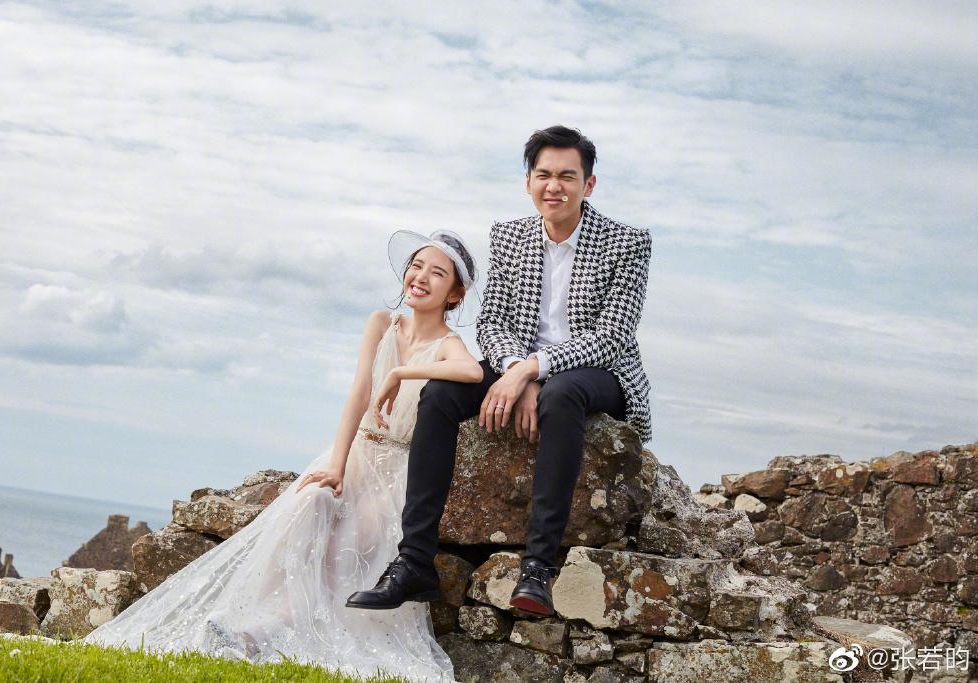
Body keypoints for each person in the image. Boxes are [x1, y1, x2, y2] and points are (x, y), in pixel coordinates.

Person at [82, 230, 483, 682]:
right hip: (354, 453)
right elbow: (358, 394)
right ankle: (252, 619)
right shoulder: (382, 323)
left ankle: (259, 633)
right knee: (308, 504)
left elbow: (471, 370)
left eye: (437, 273)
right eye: (417, 265)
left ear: (454, 294)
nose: (421, 277)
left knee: (342, 555)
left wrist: (403, 372)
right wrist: (336, 464)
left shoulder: (448, 343)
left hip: (395, 469)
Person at [348, 125, 652, 618]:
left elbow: (613, 335)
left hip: (597, 371)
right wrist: (516, 369)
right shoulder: (509, 236)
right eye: (543, 175)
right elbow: (492, 321)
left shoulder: (628, 243)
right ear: (528, 181)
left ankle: (538, 568)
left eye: (567, 176)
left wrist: (533, 370)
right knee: (440, 393)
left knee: (561, 395)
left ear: (588, 185)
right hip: (517, 362)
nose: (554, 186)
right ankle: (415, 561)